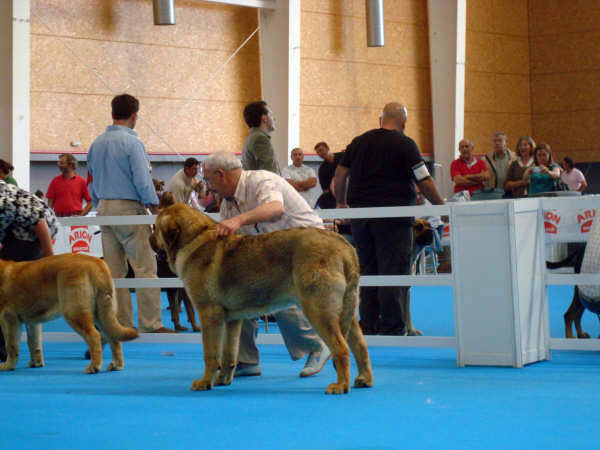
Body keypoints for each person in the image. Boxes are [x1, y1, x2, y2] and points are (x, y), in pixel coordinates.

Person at [202, 151, 331, 378]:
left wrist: (238, 220)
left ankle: (317, 346)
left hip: (308, 246)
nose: (208, 186)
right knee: (236, 294)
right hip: (271, 253)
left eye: (208, 179)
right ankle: (246, 360)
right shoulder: (228, 205)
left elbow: (275, 208)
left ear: (220, 174)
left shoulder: (260, 180)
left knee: (276, 296)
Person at [333, 102, 445, 336]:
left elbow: (341, 174)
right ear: (404, 124)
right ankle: (393, 326)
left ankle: (369, 323)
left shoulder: (358, 141)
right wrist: (442, 207)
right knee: (394, 271)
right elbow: (423, 180)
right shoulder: (405, 144)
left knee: (368, 269)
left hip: (361, 218)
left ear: (380, 120)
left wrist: (341, 203)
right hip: (394, 218)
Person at [87, 93, 172, 334]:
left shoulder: (96, 143)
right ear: (134, 116)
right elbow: (143, 181)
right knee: (145, 268)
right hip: (129, 209)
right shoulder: (133, 143)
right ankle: (151, 323)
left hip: (103, 209)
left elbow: (91, 182)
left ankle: (121, 322)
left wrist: (99, 204)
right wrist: (155, 210)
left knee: (114, 272)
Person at [0, 180, 58, 361]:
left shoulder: (3, 201)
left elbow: (39, 221)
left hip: (32, 238)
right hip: (20, 237)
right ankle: (36, 354)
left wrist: (50, 259)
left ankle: (6, 352)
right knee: (28, 298)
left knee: (7, 301)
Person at [241, 100, 280, 174]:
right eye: (271, 115)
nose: (274, 118)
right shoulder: (260, 139)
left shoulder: (252, 137)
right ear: (264, 118)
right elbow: (270, 175)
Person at [314, 141, 344, 209]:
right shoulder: (322, 169)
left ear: (327, 148)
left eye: (321, 150)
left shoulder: (343, 156)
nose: (320, 153)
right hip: (335, 195)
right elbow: (326, 190)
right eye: (318, 152)